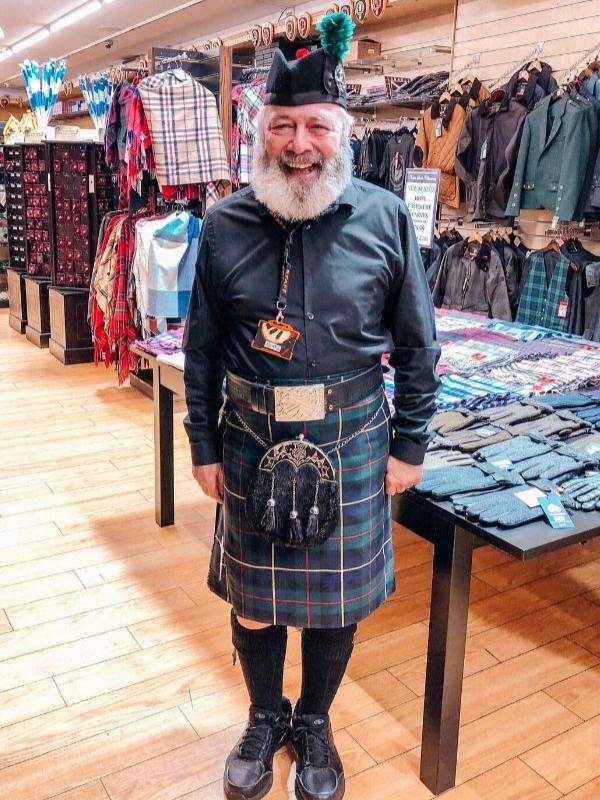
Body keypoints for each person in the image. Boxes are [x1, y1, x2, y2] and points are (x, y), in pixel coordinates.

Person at [183, 12, 440, 800]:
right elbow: (200, 347)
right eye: (283, 125)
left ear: (344, 129)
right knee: (255, 606)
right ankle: (265, 715)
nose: (299, 142)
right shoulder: (225, 223)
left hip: (355, 433)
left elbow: (418, 346)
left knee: (335, 608)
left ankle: (317, 721)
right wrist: (201, 443)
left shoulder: (386, 219)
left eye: (316, 125)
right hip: (251, 435)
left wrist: (411, 444)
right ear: (261, 132)